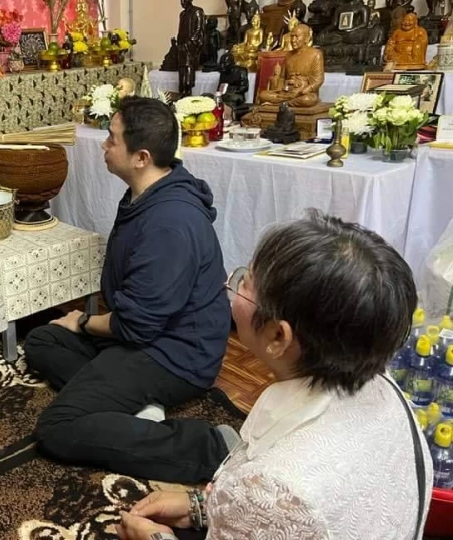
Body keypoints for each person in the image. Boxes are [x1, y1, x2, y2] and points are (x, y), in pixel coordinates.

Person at [115, 211, 432, 540]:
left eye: (245, 282)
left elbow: (289, 509)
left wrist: (154, 537)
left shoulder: (277, 490)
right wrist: (204, 507)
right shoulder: (385, 387)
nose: (231, 285)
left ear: (279, 337)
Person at [25, 97, 232, 484]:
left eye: (112, 139)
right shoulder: (147, 191)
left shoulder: (170, 223)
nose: (104, 146)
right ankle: (137, 409)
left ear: (141, 157)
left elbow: (137, 327)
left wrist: (84, 321)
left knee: (58, 427)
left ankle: (210, 448)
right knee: (42, 340)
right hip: (143, 333)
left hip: (175, 355)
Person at [257, 23, 324, 108]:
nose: (293, 40)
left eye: (297, 36)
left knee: (307, 100)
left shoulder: (316, 54)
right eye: (292, 36)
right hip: (287, 91)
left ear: (306, 38)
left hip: (303, 93)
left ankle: (283, 104)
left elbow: (319, 80)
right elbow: (282, 77)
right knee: (263, 95)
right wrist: (280, 90)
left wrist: (305, 90)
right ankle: (285, 102)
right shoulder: (288, 55)